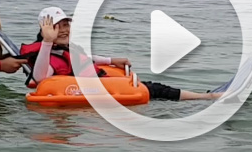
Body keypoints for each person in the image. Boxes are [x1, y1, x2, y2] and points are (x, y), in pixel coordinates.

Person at [20, 7, 220, 101]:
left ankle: (203, 96)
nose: (63, 30)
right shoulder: (46, 52)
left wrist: (111, 60)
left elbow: (84, 58)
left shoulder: (63, 49)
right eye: (57, 27)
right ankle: (206, 97)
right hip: (81, 91)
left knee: (154, 88)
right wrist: (47, 41)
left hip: (96, 83)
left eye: (66, 25)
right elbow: (41, 79)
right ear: (46, 29)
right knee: (155, 89)